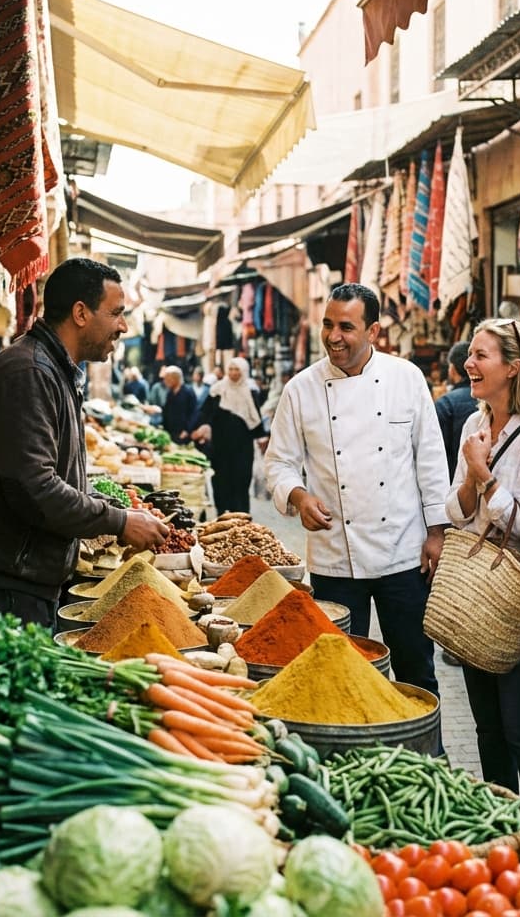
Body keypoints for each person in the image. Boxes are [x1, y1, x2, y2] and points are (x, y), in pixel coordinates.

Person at [0, 258, 170, 627]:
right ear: (80, 313)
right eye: (116, 313)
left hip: (15, 580)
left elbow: (54, 477)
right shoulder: (29, 373)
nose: (123, 326)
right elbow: (35, 488)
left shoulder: (52, 370)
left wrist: (113, 510)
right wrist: (119, 520)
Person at [263, 282, 449, 699]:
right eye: (328, 325)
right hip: (335, 556)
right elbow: (278, 462)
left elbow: (431, 460)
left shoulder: (407, 378)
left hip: (403, 552)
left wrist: (437, 533)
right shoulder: (301, 389)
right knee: (338, 671)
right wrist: (299, 496)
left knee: (416, 668)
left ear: (374, 332)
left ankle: (426, 756)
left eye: (346, 327)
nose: (333, 336)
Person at [444, 317, 520, 872]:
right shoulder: (474, 419)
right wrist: (471, 478)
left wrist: (484, 475)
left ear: (514, 367)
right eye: (471, 354)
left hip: (514, 593)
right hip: (475, 593)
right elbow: (454, 510)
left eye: (481, 356)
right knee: (487, 724)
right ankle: (503, 821)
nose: (470, 363)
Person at [190, 356, 266, 514]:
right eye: (230, 369)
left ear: (244, 371)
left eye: (237, 369)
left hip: (242, 447)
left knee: (241, 480)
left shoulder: (250, 392)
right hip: (220, 445)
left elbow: (256, 420)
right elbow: (205, 413)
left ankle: (240, 516)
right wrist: (202, 428)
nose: (233, 373)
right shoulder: (218, 389)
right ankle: (222, 512)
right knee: (221, 479)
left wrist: (262, 439)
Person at [434, 340, 476, 480]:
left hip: (454, 482)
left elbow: (436, 453)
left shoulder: (446, 403)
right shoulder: (489, 398)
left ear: (452, 368)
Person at [160, 365, 198, 444]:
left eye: (167, 378)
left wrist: (187, 430)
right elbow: (167, 411)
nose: (165, 381)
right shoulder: (170, 393)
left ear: (175, 378)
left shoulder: (188, 392)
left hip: (182, 433)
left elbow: (194, 413)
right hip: (170, 432)